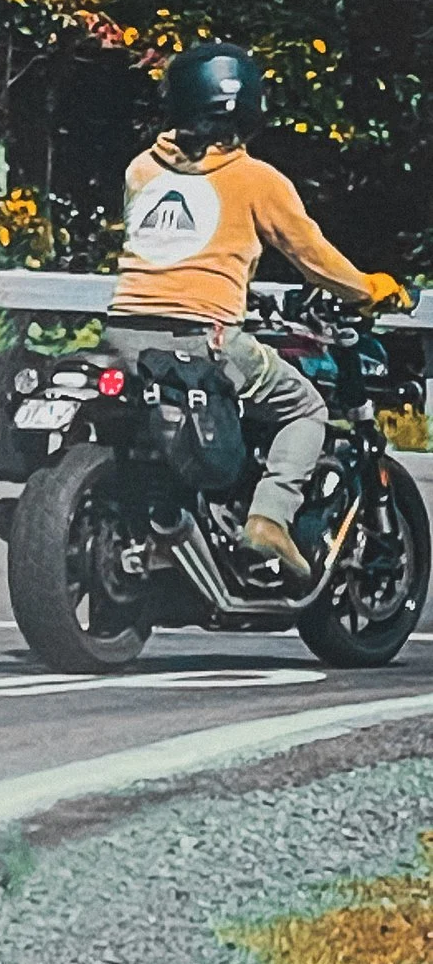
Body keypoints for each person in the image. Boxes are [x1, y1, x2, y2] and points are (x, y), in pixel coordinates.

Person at [107, 41, 406, 573]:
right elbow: (312, 258)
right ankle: (269, 519)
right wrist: (367, 288)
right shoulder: (256, 179)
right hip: (206, 336)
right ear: (249, 106)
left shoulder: (139, 171)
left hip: (123, 333)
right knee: (305, 407)